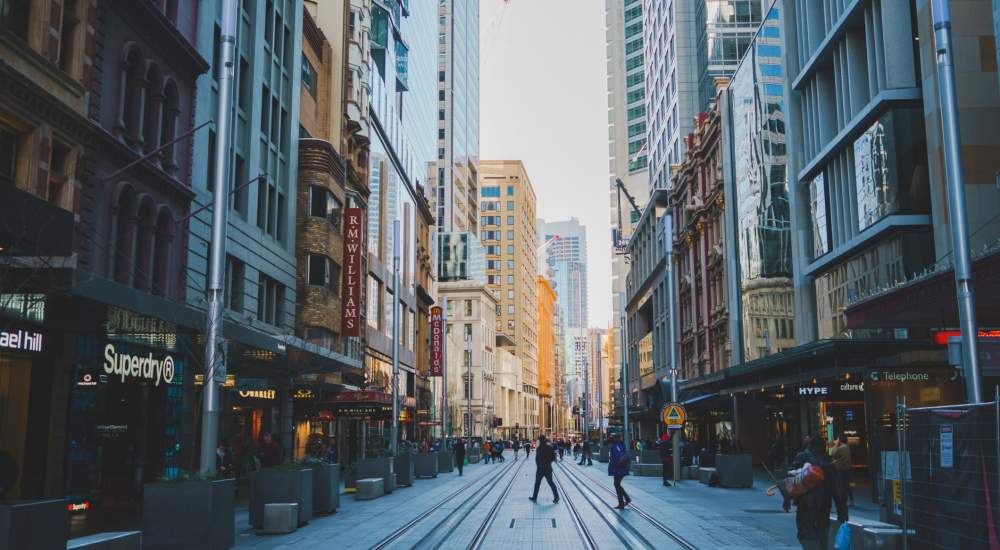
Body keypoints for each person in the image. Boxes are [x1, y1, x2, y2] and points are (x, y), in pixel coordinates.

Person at [783, 436, 835, 549]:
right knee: (822, 533)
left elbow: (791, 479)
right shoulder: (828, 460)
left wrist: (787, 499)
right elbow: (836, 485)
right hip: (824, 504)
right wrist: (841, 508)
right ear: (823, 447)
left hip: (805, 504)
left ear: (810, 445)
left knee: (806, 534)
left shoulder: (801, 457)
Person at [528, 435, 559, 503]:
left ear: (540, 441)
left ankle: (534, 497)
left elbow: (537, 459)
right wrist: (548, 462)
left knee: (537, 484)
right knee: (551, 483)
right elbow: (553, 457)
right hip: (548, 468)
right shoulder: (549, 448)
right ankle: (556, 497)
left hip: (540, 469)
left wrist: (539, 465)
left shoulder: (539, 448)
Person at [608, 434, 631, 510]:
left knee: (617, 484)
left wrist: (615, 465)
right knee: (617, 484)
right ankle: (623, 501)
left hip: (619, 468)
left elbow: (617, 457)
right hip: (621, 468)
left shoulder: (615, 447)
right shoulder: (620, 445)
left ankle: (624, 501)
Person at [831, 433, 853, 514]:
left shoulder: (841, 448)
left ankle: (844, 500)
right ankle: (851, 500)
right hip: (847, 469)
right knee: (847, 485)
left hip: (841, 469)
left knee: (841, 485)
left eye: (837, 439)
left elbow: (833, 453)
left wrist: (835, 445)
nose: (836, 440)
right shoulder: (846, 447)